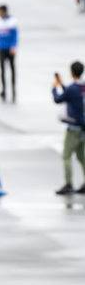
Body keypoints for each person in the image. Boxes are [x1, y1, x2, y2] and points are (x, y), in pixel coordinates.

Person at [51, 62, 85, 195]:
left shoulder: (72, 89)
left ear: (72, 72)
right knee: (82, 156)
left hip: (74, 127)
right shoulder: (82, 88)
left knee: (66, 155)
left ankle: (69, 183)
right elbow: (72, 95)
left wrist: (54, 88)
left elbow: (58, 99)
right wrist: (62, 85)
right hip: (83, 126)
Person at [0, 5, 18, 102]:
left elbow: (15, 36)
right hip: (1, 48)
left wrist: (13, 46)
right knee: (2, 70)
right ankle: (4, 90)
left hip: (10, 49)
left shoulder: (12, 22)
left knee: (12, 70)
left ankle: (14, 91)